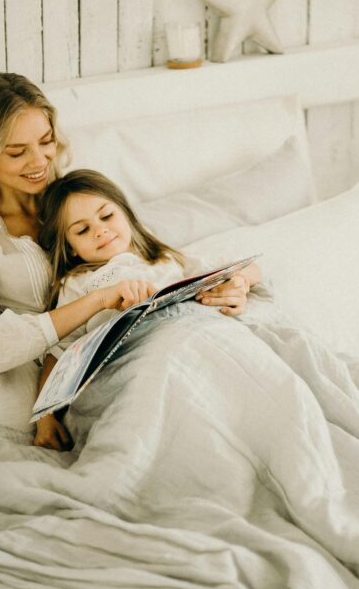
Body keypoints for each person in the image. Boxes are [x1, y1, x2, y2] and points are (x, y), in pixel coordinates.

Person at [0, 73, 257, 451]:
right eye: (16, 151)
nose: (39, 161)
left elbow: (156, 258)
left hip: (158, 338)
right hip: (91, 373)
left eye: (46, 141)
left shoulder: (80, 200)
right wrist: (99, 300)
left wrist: (238, 284)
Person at [34, 169, 264, 448]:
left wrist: (239, 282)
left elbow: (248, 267)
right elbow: (59, 353)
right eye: (83, 230)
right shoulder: (79, 283)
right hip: (139, 364)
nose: (100, 230)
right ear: (69, 247)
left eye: (107, 216)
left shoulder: (165, 259)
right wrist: (45, 419)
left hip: (196, 339)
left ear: (126, 215)